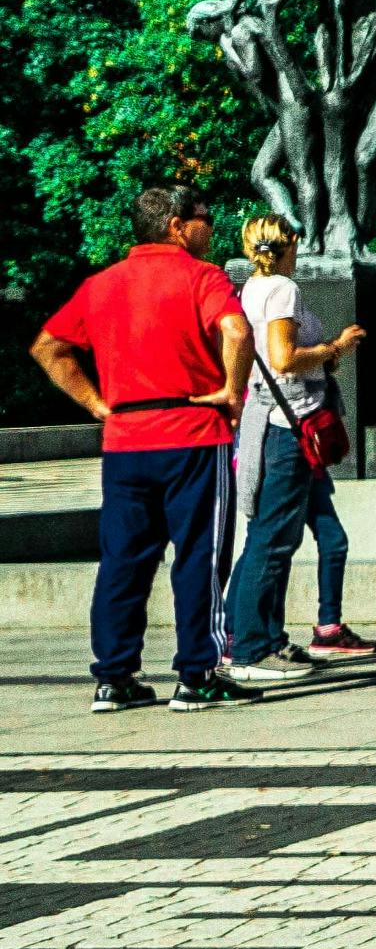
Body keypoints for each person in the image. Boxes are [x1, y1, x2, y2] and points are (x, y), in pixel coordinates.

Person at [31, 186, 257, 714]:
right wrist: (232, 391)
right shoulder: (202, 276)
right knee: (200, 556)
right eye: (204, 218)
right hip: (192, 432)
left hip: (126, 439)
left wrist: (96, 403)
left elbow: (48, 347)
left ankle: (115, 678)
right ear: (177, 225)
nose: (211, 228)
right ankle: (198, 675)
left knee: (124, 560)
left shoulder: (101, 283)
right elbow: (235, 329)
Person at [221, 216, 367, 686]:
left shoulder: (250, 288)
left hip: (264, 419)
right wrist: (334, 347)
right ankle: (251, 649)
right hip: (288, 425)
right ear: (293, 243)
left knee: (265, 537)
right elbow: (285, 359)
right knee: (274, 540)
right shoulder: (283, 289)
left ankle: (254, 637)